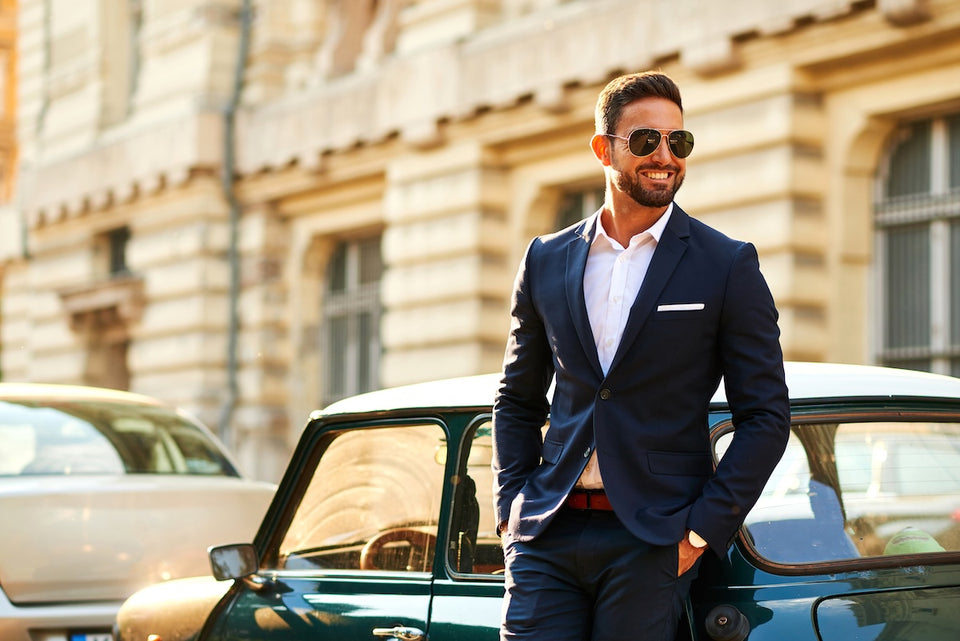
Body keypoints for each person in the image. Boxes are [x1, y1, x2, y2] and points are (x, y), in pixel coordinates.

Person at [491, 71, 791, 641]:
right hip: (546, 531)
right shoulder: (545, 260)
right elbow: (517, 398)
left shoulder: (726, 264)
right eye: (646, 140)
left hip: (652, 542)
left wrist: (701, 531)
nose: (665, 156)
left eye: (678, 142)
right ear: (604, 149)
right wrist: (511, 506)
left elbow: (766, 416)